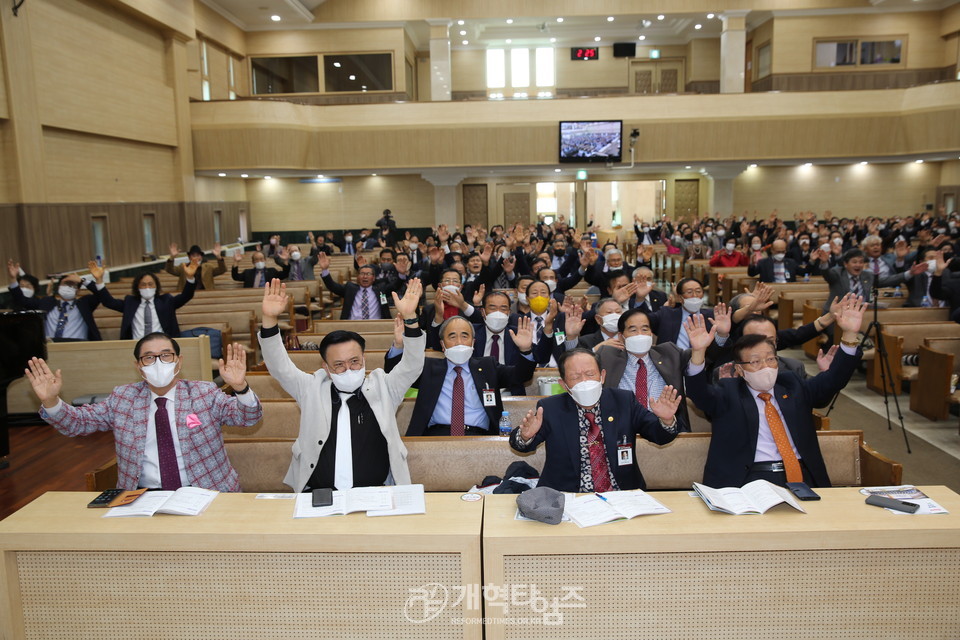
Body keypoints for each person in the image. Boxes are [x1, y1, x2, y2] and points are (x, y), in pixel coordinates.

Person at [24, 333, 261, 491]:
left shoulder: (204, 393)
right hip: (142, 498)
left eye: (166, 355)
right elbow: (77, 423)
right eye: (148, 357)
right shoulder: (123, 398)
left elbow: (248, 418)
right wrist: (52, 400)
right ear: (138, 366)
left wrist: (240, 387)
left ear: (178, 361)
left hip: (207, 494)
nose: (158, 362)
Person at [258, 278, 425, 492]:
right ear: (326, 368)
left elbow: (412, 364)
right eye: (338, 364)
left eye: (354, 361)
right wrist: (270, 319)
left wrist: (410, 318)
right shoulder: (312, 388)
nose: (348, 368)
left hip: (377, 493)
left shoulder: (384, 386)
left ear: (364, 359)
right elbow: (279, 367)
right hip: (318, 494)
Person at [683, 297, 865, 488]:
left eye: (771, 359)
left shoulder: (793, 385)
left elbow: (834, 379)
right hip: (748, 478)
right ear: (740, 370)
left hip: (799, 475)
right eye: (755, 361)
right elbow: (699, 393)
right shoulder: (728, 392)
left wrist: (850, 335)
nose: (765, 367)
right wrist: (698, 352)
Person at [509, 348, 681, 492]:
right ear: (563, 384)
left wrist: (666, 420)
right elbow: (522, 446)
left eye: (590, 374)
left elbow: (659, 436)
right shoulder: (551, 408)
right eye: (575, 377)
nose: (584, 381)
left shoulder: (624, 401)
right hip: (568, 497)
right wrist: (525, 436)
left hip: (623, 495)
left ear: (602, 376)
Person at [389, 315, 537, 435]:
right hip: (436, 435)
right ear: (442, 344)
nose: (459, 342)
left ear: (473, 342)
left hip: (479, 437)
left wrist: (526, 350)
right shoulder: (428, 367)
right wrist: (399, 346)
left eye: (464, 336)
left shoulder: (488, 366)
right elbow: (396, 376)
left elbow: (520, 376)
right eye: (452, 336)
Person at [594, 307, 717, 432]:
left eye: (645, 329)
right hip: (621, 432)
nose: (640, 334)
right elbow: (578, 366)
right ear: (621, 337)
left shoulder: (669, 352)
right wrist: (573, 338)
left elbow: (697, 368)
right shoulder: (607, 356)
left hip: (668, 429)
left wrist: (699, 350)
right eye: (633, 330)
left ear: (651, 333)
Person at [89, 262, 195, 340]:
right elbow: (109, 302)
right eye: (143, 285)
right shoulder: (130, 302)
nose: (147, 287)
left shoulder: (166, 301)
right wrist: (99, 280)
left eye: (150, 284)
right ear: (137, 287)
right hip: (137, 345)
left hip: (162, 344)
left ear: (156, 286)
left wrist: (190, 278)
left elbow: (186, 295)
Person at [6, 260, 101, 341]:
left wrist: (83, 280)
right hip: (50, 346)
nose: (68, 287)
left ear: (78, 290)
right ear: (59, 287)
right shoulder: (47, 302)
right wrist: (13, 279)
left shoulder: (85, 303)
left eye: (72, 285)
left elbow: (101, 295)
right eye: (65, 284)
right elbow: (22, 300)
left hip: (78, 346)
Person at [813, 247, 924, 313]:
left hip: (863, 314)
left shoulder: (868, 276)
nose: (858, 265)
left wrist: (910, 273)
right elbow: (827, 274)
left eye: (861, 262)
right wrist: (824, 262)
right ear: (846, 264)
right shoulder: (838, 273)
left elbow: (888, 280)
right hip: (837, 314)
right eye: (854, 262)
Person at [318, 252, 401, 320]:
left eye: (368, 274)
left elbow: (396, 285)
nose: (365, 277)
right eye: (362, 274)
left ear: (373, 278)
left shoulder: (381, 289)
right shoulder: (350, 288)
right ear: (357, 277)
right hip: (352, 328)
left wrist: (402, 274)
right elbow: (332, 286)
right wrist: (325, 270)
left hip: (376, 326)